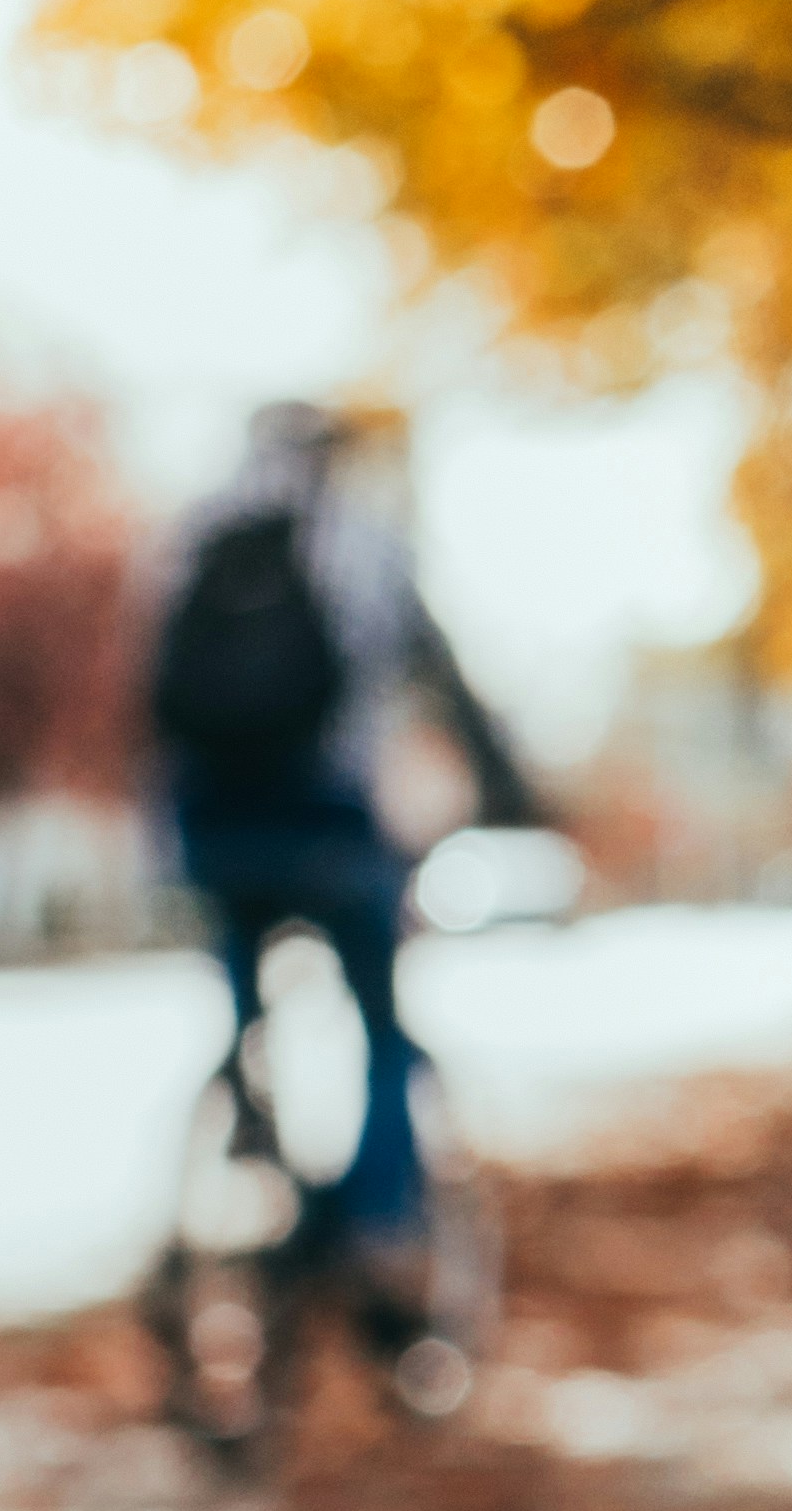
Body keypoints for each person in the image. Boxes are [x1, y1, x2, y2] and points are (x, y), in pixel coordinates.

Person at [147, 403, 539, 1319]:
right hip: (328, 821)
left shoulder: (190, 534)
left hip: (209, 827)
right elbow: (439, 676)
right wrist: (513, 790)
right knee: (384, 1034)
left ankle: (248, 1136)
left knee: (247, 1017)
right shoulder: (362, 536)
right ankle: (375, 1231)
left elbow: (154, 698)